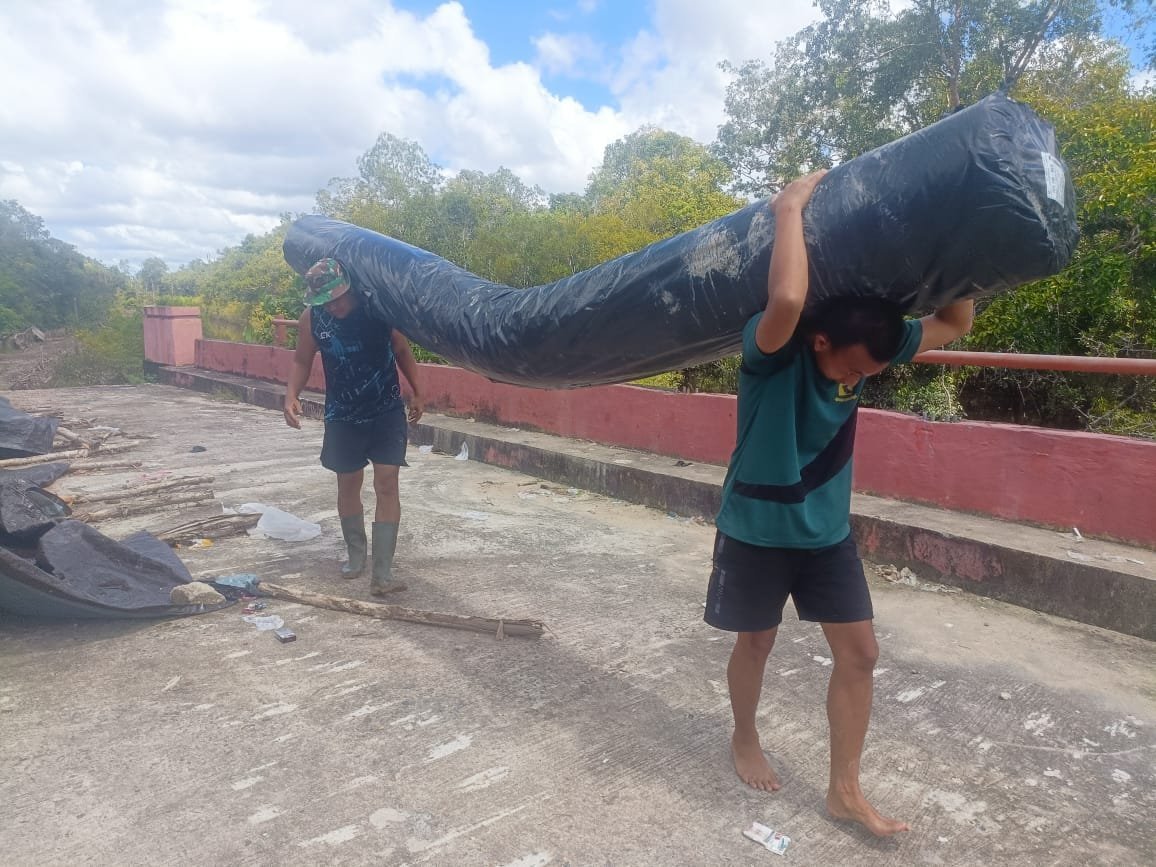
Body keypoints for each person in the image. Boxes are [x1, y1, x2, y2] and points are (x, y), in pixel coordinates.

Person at [705, 171, 975, 836]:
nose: (857, 380)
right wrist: (791, 205)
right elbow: (790, 298)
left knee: (861, 653)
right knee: (756, 640)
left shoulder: (870, 339)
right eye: (850, 369)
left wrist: (970, 225)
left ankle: (843, 790)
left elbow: (954, 320)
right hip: (758, 527)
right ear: (820, 341)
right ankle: (744, 733)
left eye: (867, 375)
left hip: (825, 530)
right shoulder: (771, 352)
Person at [283, 257, 425, 596]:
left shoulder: (378, 309)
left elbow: (402, 349)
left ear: (349, 287)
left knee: (387, 484)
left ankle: (383, 574)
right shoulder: (313, 319)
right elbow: (303, 359)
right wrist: (291, 395)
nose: (333, 306)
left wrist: (419, 392)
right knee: (348, 485)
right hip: (343, 416)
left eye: (337, 298)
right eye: (325, 301)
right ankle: (356, 555)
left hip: (386, 410)